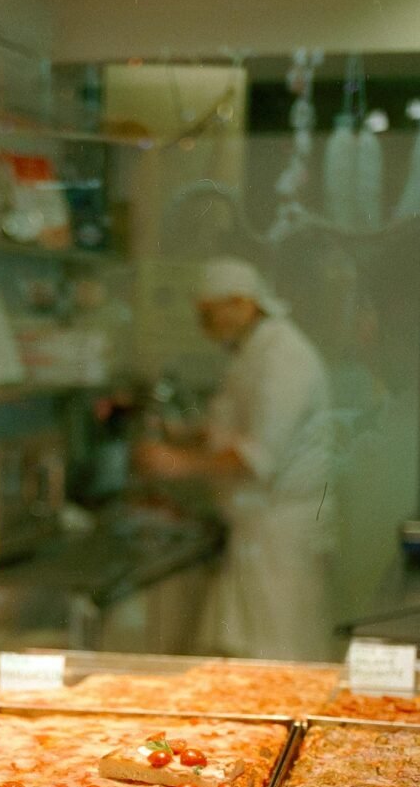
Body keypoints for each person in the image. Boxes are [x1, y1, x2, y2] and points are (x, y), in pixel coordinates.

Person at [134, 256, 336, 662]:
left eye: (209, 314)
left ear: (242, 304)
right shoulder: (251, 352)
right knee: (249, 655)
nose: (203, 326)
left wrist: (176, 462)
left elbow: (257, 457)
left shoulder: (284, 358)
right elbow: (237, 426)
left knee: (282, 658)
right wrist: (187, 435)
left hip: (280, 535)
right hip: (255, 530)